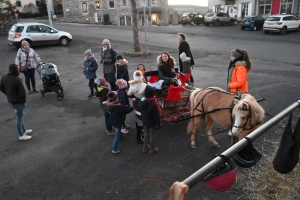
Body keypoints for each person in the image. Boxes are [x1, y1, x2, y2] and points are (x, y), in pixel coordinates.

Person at [0, 64, 32, 140]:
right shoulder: (17, 80)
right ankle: (21, 134)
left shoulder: (4, 77)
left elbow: (1, 88)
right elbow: (22, 93)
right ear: (16, 70)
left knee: (20, 115)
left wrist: (8, 94)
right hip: (18, 102)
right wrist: (23, 102)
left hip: (11, 101)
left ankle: (23, 130)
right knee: (19, 117)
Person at [227, 49, 252, 137]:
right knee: (234, 112)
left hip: (239, 93)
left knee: (235, 113)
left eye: (232, 56)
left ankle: (236, 130)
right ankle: (236, 129)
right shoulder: (236, 66)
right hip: (236, 92)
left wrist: (230, 85)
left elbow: (240, 82)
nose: (231, 57)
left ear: (237, 57)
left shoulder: (240, 67)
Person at [138, 86, 162, 155]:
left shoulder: (142, 102)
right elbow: (156, 116)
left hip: (144, 121)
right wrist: (159, 123)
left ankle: (145, 147)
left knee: (146, 134)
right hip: (152, 122)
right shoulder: (153, 104)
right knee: (152, 136)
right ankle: (152, 149)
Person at [128, 68, 148, 144]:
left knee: (138, 121)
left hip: (136, 106)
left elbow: (129, 94)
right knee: (145, 120)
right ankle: (145, 135)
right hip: (144, 106)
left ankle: (138, 136)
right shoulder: (145, 85)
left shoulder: (131, 85)